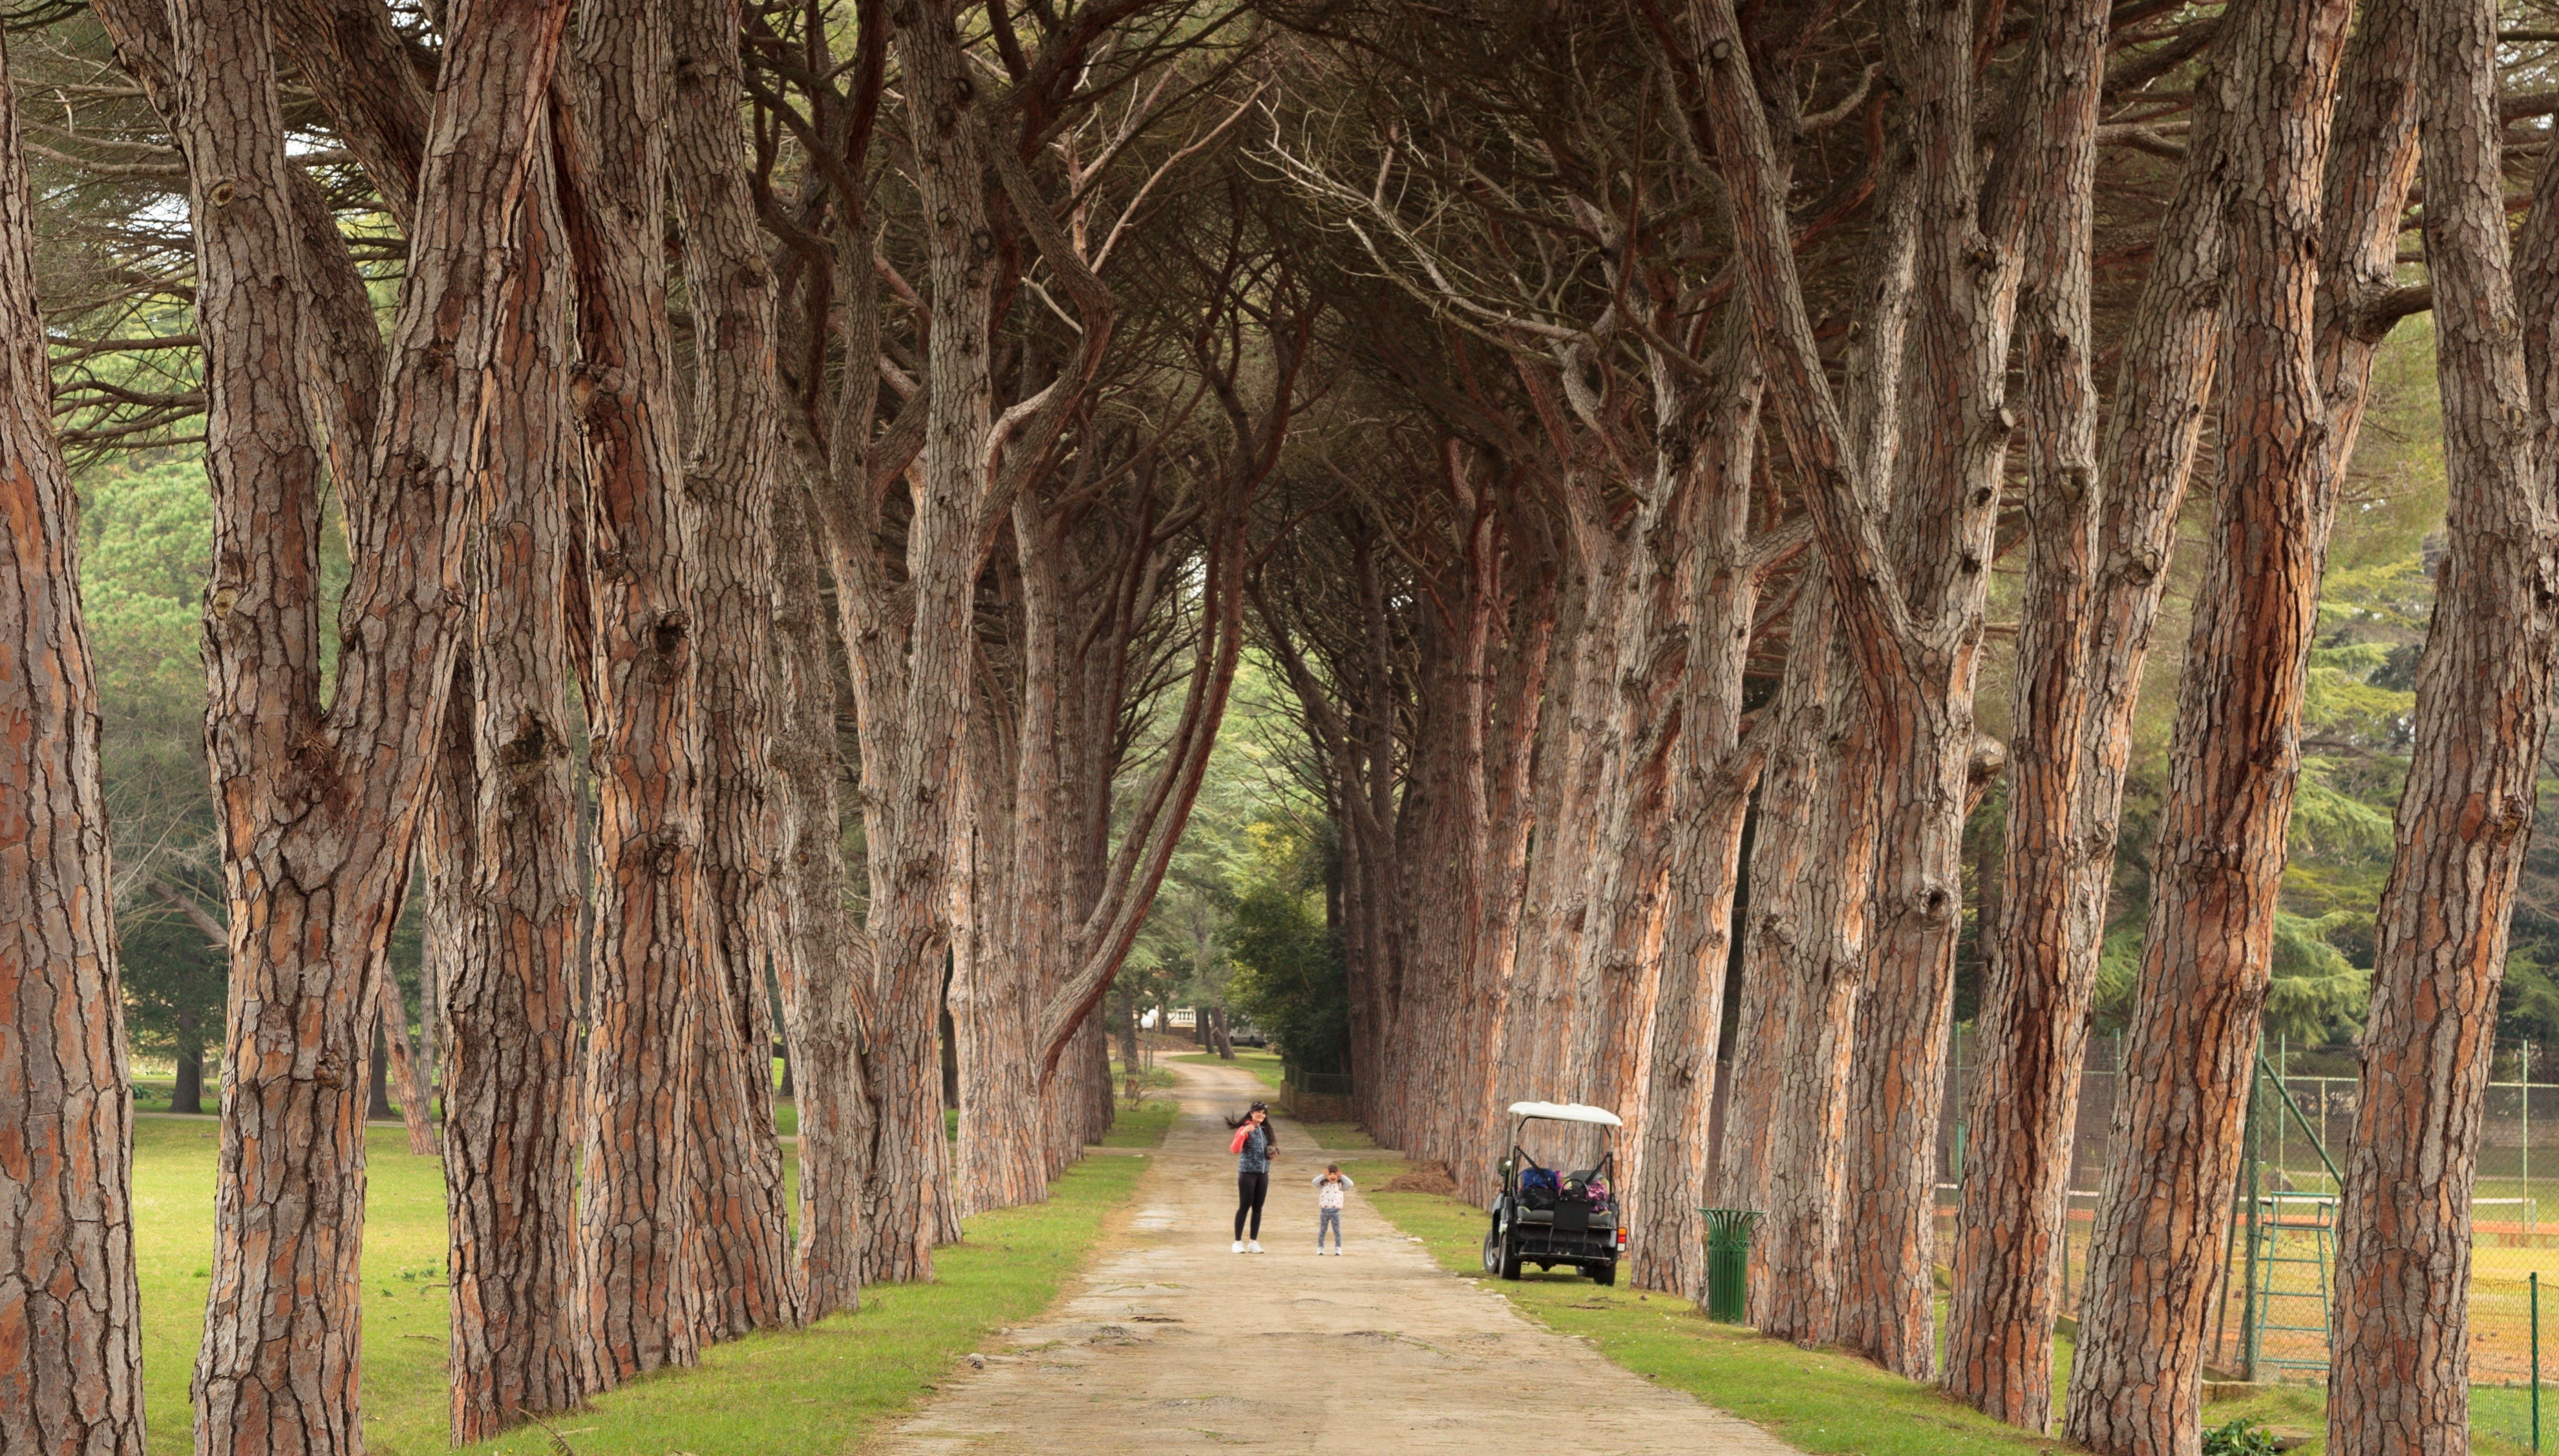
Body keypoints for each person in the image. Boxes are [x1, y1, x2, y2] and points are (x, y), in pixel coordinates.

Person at [1226, 1102, 1276, 1252]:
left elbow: (1267, 1152)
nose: (1261, 1115)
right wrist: (1243, 1133)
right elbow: (1235, 1149)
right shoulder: (1245, 1129)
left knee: (1258, 1208)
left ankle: (1253, 1242)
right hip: (1247, 1173)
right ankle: (1237, 1242)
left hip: (1263, 1173)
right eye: (1258, 1112)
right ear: (1252, 1113)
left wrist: (1272, 1154)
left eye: (1264, 1113)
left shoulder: (1265, 1130)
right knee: (1244, 1207)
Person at [1311, 1163, 1354, 1254]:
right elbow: (1314, 1181)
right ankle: (1320, 1248)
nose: (1332, 1176)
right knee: (1323, 1230)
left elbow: (1351, 1184)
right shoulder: (1324, 1184)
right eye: (1330, 1174)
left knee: (1337, 1230)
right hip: (1325, 1210)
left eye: (1335, 1174)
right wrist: (1324, 1176)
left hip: (1335, 1211)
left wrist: (1341, 1176)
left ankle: (1338, 1248)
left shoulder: (1341, 1186)